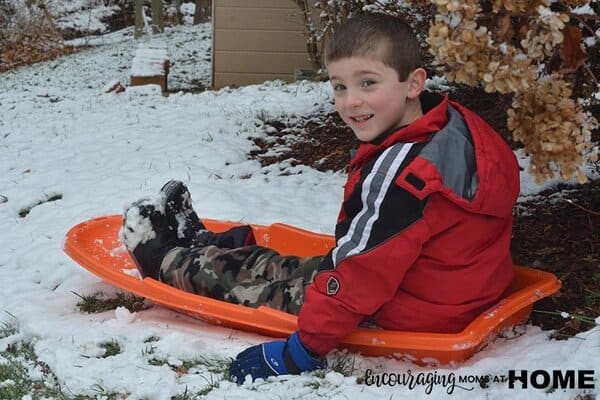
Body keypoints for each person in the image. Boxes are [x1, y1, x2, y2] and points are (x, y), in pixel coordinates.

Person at [121, 13, 520, 383]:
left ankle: (167, 259)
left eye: (368, 83)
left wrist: (300, 353)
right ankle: (207, 245)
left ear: (413, 83)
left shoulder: (401, 175)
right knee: (294, 267)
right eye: (340, 86)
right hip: (447, 289)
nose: (351, 102)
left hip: (400, 311)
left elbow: (357, 278)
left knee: (251, 290)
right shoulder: (457, 125)